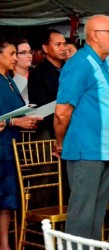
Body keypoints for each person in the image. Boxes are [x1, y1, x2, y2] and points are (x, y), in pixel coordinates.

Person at [53, 14, 109, 240]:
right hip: (86, 151)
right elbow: (62, 112)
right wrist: (61, 142)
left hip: (106, 151)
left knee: (96, 216)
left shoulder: (101, 64)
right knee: (82, 217)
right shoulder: (80, 62)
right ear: (93, 35)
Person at [0, 36, 42, 250]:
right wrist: (15, 121)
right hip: (2, 146)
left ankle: (5, 244)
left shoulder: (9, 79)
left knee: (8, 198)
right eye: (11, 54)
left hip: (10, 147)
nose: (15, 58)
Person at [28, 28, 67, 140]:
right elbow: (41, 108)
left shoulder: (71, 69)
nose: (63, 48)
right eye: (58, 44)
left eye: (64, 44)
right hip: (50, 130)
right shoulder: (37, 74)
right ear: (45, 48)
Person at [13, 37, 33, 104]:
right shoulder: (7, 79)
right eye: (23, 52)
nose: (29, 56)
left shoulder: (38, 74)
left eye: (30, 52)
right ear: (14, 55)